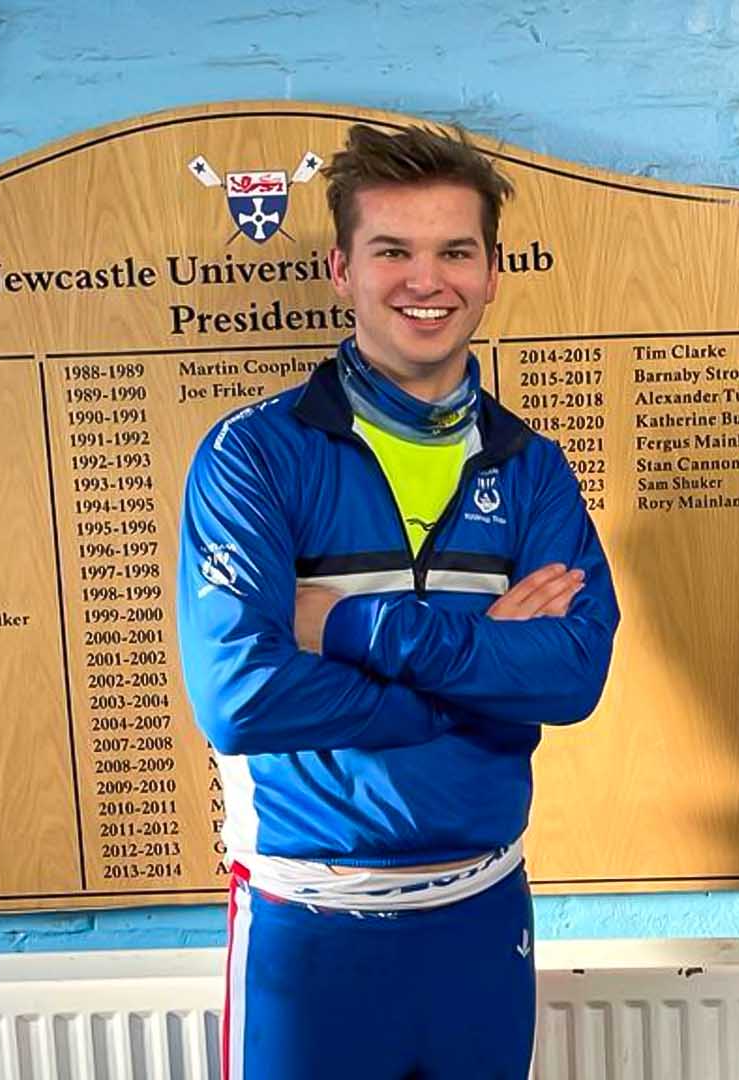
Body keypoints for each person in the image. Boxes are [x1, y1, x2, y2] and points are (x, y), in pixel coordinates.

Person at [176, 123, 620, 1079]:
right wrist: (476, 672)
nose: (428, 280)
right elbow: (241, 700)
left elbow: (575, 676)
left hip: (485, 913)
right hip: (310, 924)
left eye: (455, 251)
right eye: (394, 252)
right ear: (342, 269)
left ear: (492, 271)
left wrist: (341, 623)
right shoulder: (251, 456)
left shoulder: (533, 469)